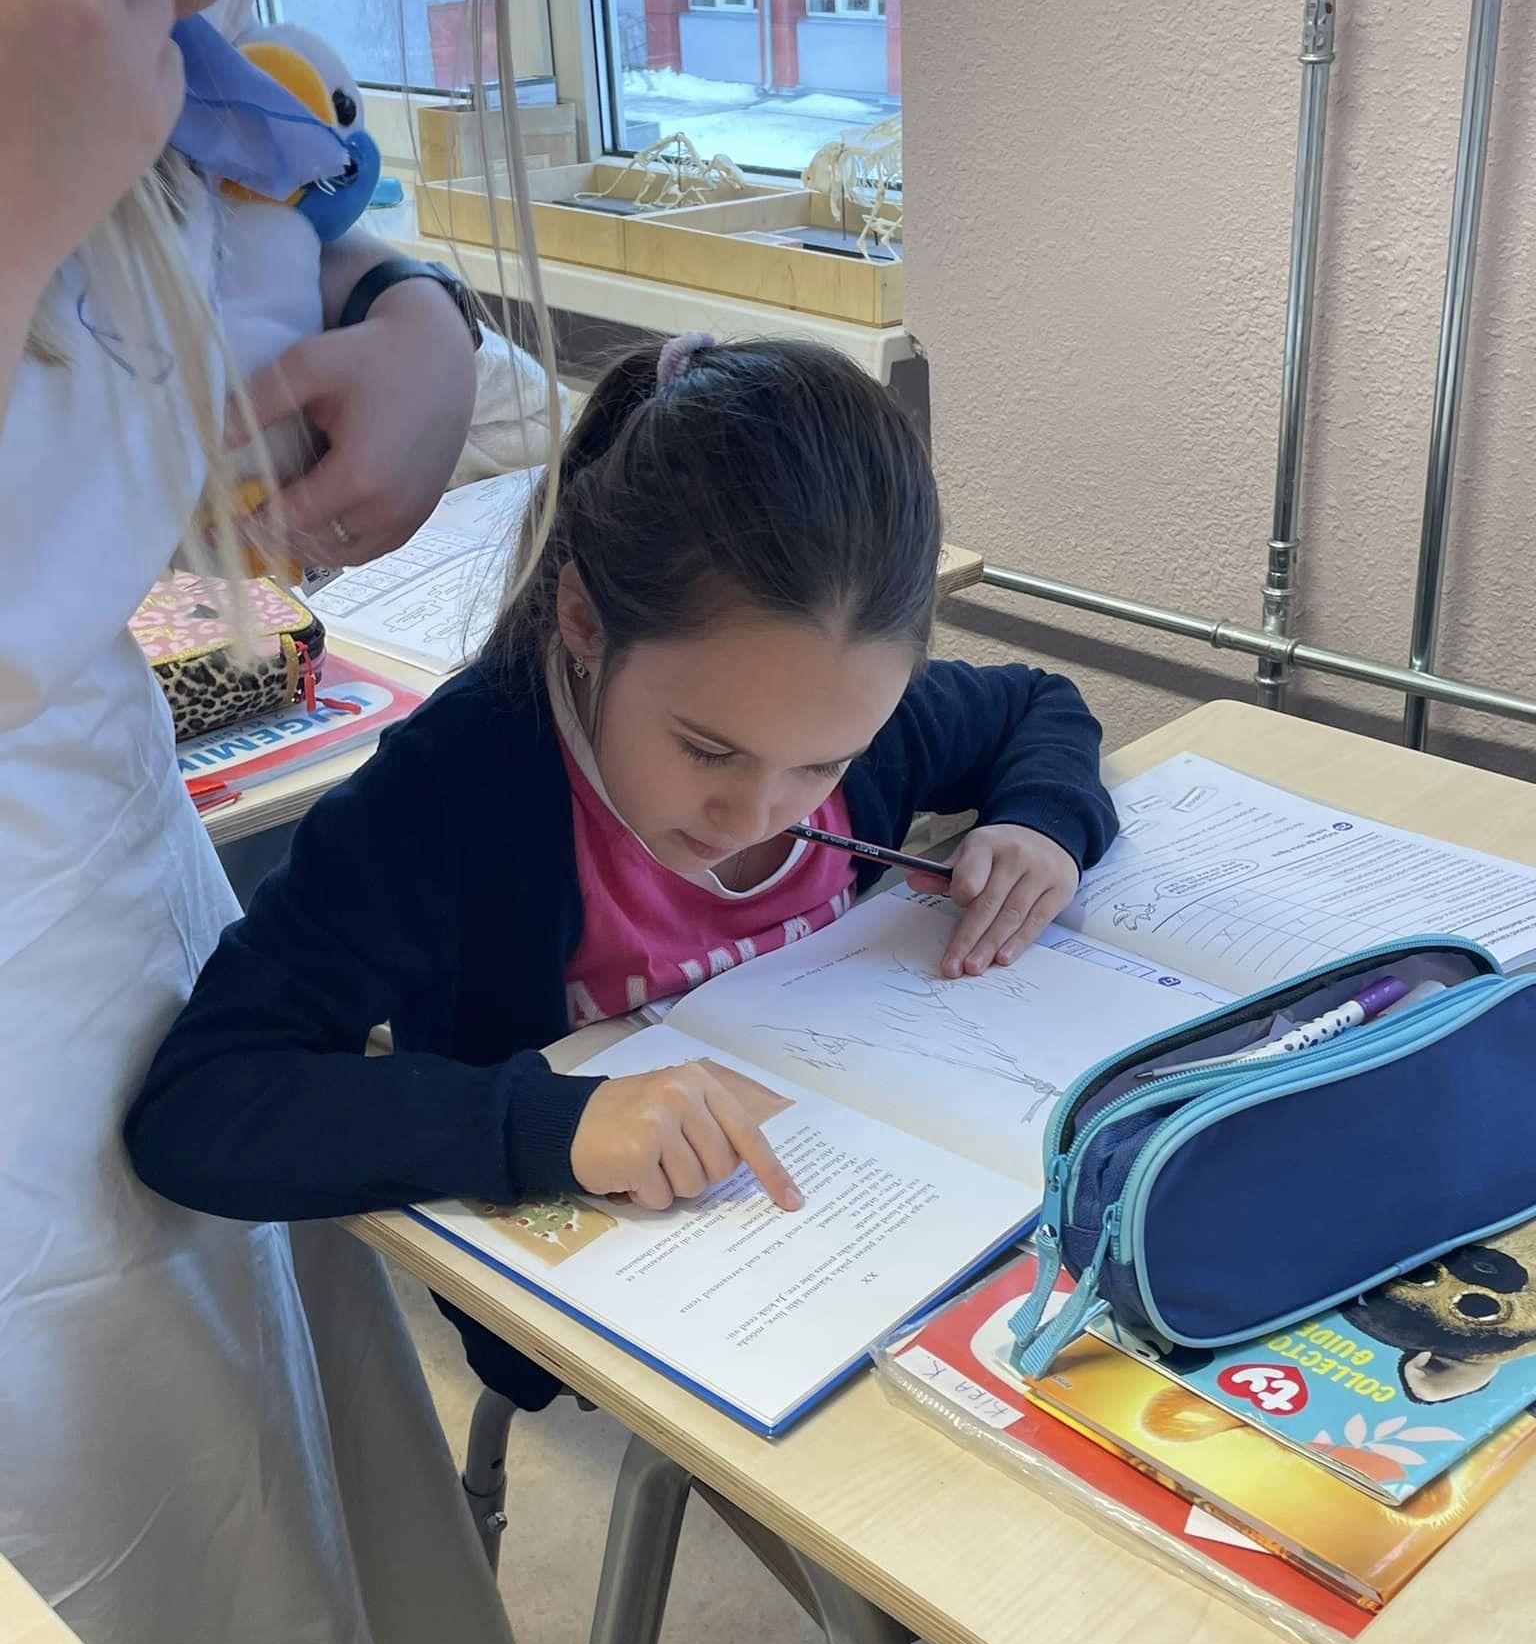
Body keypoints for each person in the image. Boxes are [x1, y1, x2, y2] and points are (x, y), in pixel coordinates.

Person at [0, 0, 546, 1644]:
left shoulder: (134, 29)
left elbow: (260, 230)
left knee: (232, 1473)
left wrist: (415, 320)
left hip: (124, 890)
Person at [127, 334, 1118, 1405]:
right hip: (620, 1296)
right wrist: (551, 1123)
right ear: (584, 622)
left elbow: (1038, 705)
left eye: (823, 764)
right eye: (707, 751)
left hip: (884, 1246)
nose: (757, 813)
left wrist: (1043, 822)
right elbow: (200, 1106)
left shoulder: (833, 704)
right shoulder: (459, 787)